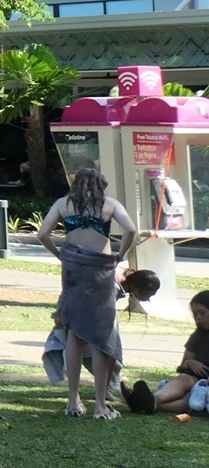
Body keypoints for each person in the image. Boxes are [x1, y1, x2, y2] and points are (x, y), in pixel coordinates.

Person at [38, 166, 138, 418]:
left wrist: (59, 254)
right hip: (100, 271)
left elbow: (42, 234)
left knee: (75, 333)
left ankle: (73, 401)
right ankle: (100, 405)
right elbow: (131, 230)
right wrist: (121, 254)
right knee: (100, 337)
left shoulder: (63, 204)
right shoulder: (110, 205)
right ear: (101, 185)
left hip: (73, 270)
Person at [126, 290, 209, 414]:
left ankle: (142, 404)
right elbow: (183, 365)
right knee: (184, 379)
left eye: (202, 313)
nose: (198, 318)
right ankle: (154, 399)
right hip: (197, 380)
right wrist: (190, 363)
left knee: (190, 398)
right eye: (195, 314)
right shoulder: (198, 335)